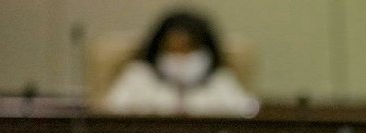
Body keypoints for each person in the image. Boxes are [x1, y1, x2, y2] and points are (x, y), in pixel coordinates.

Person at [102, 9, 259, 116]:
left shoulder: (220, 80)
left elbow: (246, 117)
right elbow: (110, 118)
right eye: (173, 49)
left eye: (188, 49)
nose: (181, 57)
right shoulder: (137, 77)